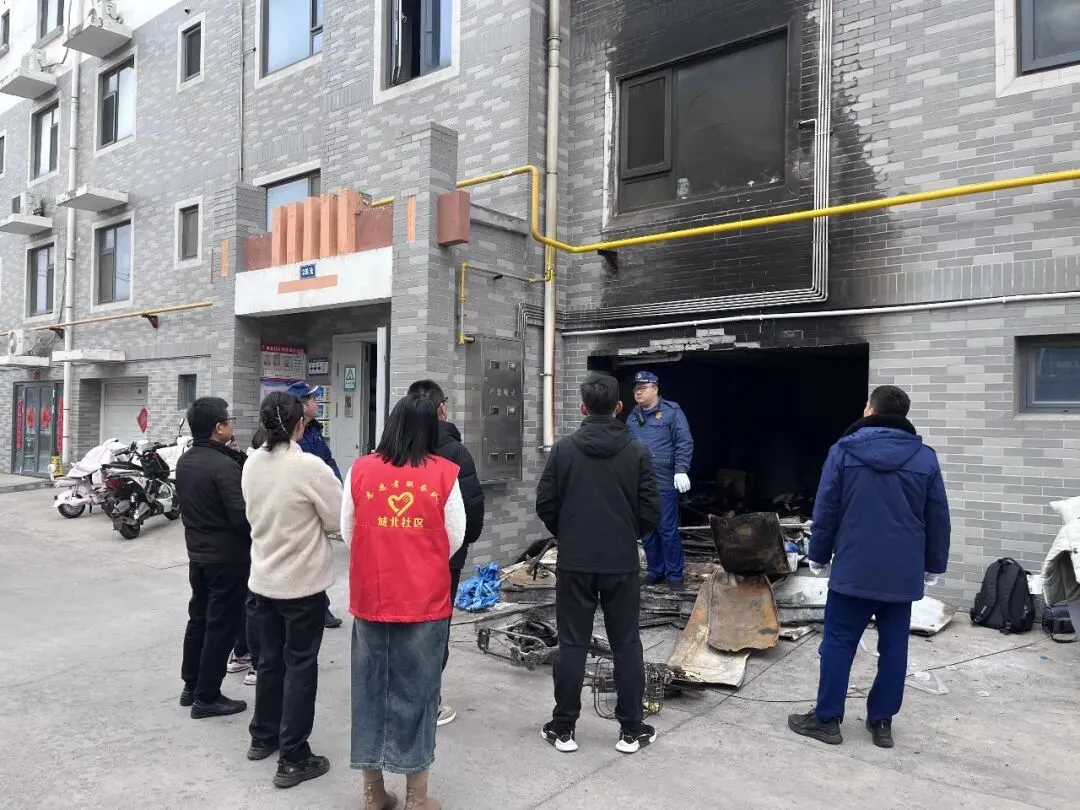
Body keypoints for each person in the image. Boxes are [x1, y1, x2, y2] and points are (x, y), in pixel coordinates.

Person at [788, 385, 951, 749]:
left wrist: (818, 554)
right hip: (902, 571)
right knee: (894, 647)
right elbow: (937, 515)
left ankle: (827, 720)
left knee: (838, 643)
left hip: (855, 567)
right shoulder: (924, 458)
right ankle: (882, 722)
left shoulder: (844, 451)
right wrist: (934, 564)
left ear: (870, 411)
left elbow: (827, 507)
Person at [342, 394, 465, 810]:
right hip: (424, 599)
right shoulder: (445, 472)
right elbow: (454, 536)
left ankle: (373, 793)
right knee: (419, 693)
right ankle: (417, 797)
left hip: (371, 596)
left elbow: (348, 530)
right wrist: (419, 558)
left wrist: (382, 556)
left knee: (370, 690)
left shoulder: (361, 469)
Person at [535, 372, 662, 755]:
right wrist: (626, 534)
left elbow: (545, 504)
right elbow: (651, 510)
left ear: (583, 408)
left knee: (572, 643)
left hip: (575, 561)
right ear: (619, 407)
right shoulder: (637, 451)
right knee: (626, 643)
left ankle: (563, 728)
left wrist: (569, 533)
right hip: (620, 562)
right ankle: (631, 730)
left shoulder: (564, 450)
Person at [242, 391, 344, 789]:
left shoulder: (251, 463)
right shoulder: (308, 467)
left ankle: (263, 736)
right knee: (300, 667)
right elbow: (336, 519)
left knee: (269, 662)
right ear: (300, 423)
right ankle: (294, 756)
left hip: (263, 580)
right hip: (301, 585)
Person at [407, 379, 486, 727]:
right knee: (436, 628)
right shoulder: (455, 452)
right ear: (441, 408)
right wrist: (461, 545)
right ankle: (428, 703)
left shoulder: (393, 447)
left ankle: (401, 695)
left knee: (402, 624)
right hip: (444, 557)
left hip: (401, 555)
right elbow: (472, 509)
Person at [174, 397, 250, 719]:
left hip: (198, 554)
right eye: (229, 420)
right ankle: (207, 697)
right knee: (221, 626)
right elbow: (240, 516)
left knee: (199, 619)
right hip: (227, 558)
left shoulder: (186, 460)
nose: (232, 424)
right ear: (219, 427)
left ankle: (191, 686)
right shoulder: (223, 466)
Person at [625, 370, 694, 590]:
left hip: (663, 481)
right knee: (647, 531)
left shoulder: (672, 412)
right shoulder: (633, 416)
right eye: (636, 389)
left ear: (655, 388)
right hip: (640, 482)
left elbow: (684, 442)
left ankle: (674, 576)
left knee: (667, 530)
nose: (638, 392)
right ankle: (656, 571)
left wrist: (681, 470)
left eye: (642, 388)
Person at [286, 380, 344, 630]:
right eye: (312, 399)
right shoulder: (290, 436)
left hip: (320, 502)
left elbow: (328, 461)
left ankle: (320, 607)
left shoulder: (314, 431)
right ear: (301, 406)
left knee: (315, 560)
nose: (317, 403)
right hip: (301, 507)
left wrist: (337, 487)